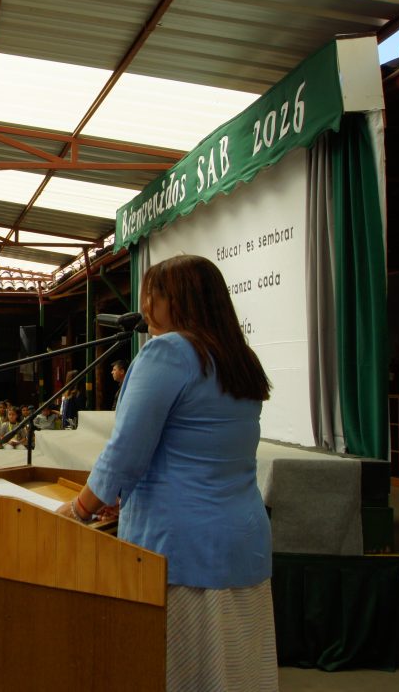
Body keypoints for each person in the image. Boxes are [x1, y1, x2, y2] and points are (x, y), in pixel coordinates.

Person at [56, 255, 275, 690]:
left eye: (150, 294)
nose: (144, 304)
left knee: (185, 674)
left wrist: (81, 508)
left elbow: (126, 452)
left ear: (173, 301)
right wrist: (121, 497)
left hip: (182, 550)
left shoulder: (170, 351)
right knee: (235, 672)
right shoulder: (236, 356)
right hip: (241, 542)